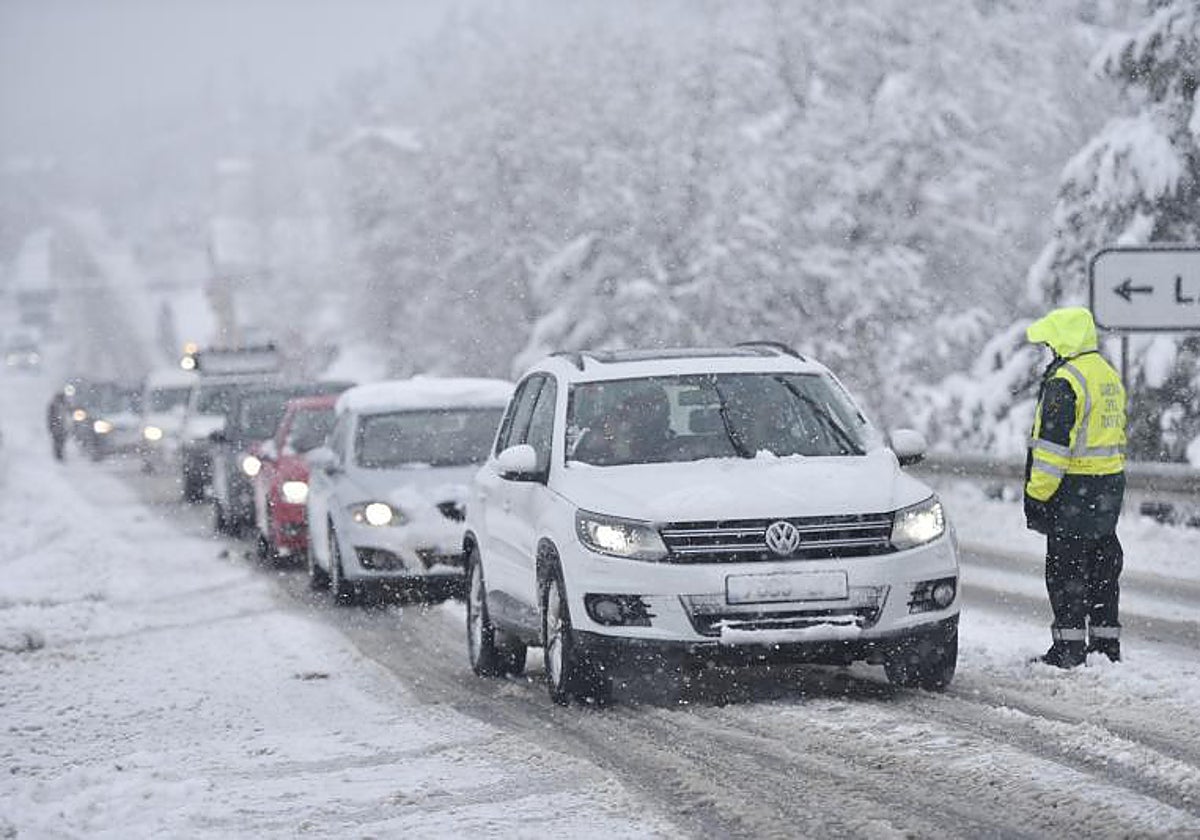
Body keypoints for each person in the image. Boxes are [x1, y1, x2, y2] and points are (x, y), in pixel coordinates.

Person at [1023, 306, 1126, 668]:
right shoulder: (1106, 375)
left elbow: (1052, 452)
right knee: (1103, 567)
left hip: (1073, 492)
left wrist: (1037, 495)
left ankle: (1068, 649)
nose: (1049, 349)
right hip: (1107, 489)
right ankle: (1105, 645)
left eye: (1051, 342)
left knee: (1066, 572)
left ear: (1063, 340)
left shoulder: (1066, 380)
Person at [47, 391, 71, 461]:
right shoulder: (55, 406)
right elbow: (51, 418)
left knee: (60, 442)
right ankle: (58, 456)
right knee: (58, 442)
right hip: (58, 427)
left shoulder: (64, 406)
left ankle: (59, 455)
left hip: (61, 427)